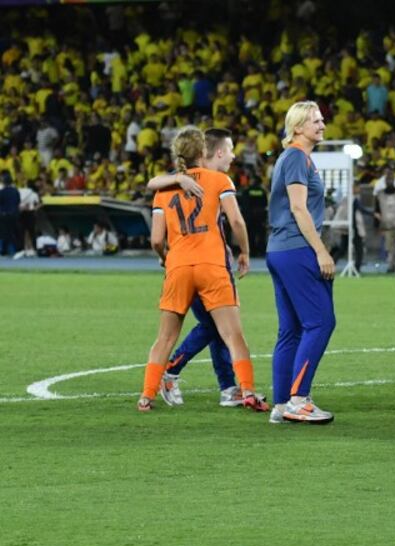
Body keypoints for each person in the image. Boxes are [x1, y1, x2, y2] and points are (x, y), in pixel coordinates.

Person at [137, 127, 267, 414]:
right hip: (212, 265)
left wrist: (164, 258)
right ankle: (246, 391)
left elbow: (156, 239)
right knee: (232, 334)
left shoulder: (164, 189)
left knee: (165, 337)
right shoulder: (219, 180)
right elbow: (237, 222)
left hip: (179, 266)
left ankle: (146, 396)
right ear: (203, 152)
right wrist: (245, 251)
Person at [266, 100, 338, 424]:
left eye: (322, 119)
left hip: (280, 249)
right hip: (296, 248)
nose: (322, 125)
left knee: (291, 330)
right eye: (315, 120)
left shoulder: (293, 157)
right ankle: (299, 399)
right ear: (298, 127)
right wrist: (320, 250)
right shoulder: (297, 157)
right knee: (321, 321)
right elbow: (299, 208)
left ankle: (282, 403)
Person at [0, 171, 19, 258]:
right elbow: (18, 201)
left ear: (3, 182)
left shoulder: (2, 192)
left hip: (4, 215)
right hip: (14, 214)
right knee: (12, 232)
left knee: (5, 233)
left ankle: (14, 250)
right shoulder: (15, 191)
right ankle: (6, 250)